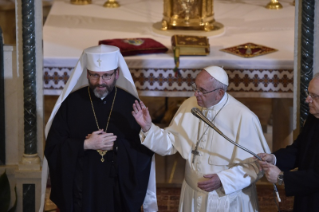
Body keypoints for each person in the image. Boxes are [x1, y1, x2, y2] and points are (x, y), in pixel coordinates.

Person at [132, 66, 271, 212]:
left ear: (219, 93)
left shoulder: (244, 117)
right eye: (195, 87)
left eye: (202, 91)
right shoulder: (189, 105)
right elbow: (170, 144)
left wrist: (223, 180)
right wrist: (148, 127)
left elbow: (257, 165)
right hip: (192, 195)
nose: (196, 94)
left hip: (226, 199)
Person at [40, 45, 157, 212]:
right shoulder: (71, 104)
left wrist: (117, 146)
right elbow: (53, 147)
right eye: (94, 75)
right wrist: (85, 145)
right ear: (87, 74)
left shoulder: (131, 104)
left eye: (107, 76)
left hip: (116, 190)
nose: (100, 82)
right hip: (81, 188)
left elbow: (144, 151)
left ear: (117, 74)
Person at [258, 74, 319, 212]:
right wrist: (273, 158)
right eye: (308, 93)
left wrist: (282, 178)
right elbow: (298, 150)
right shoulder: (314, 118)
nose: (307, 99)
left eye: (314, 96)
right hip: (306, 197)